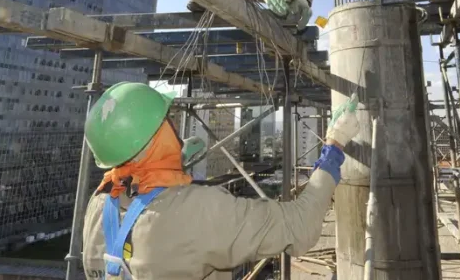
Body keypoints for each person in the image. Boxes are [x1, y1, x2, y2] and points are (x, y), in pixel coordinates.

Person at [81, 82, 360, 279]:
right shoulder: (198, 212)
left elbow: (143, 194)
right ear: (159, 137)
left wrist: (174, 162)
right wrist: (334, 146)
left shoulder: (98, 205)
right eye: (168, 120)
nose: (174, 124)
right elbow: (300, 226)